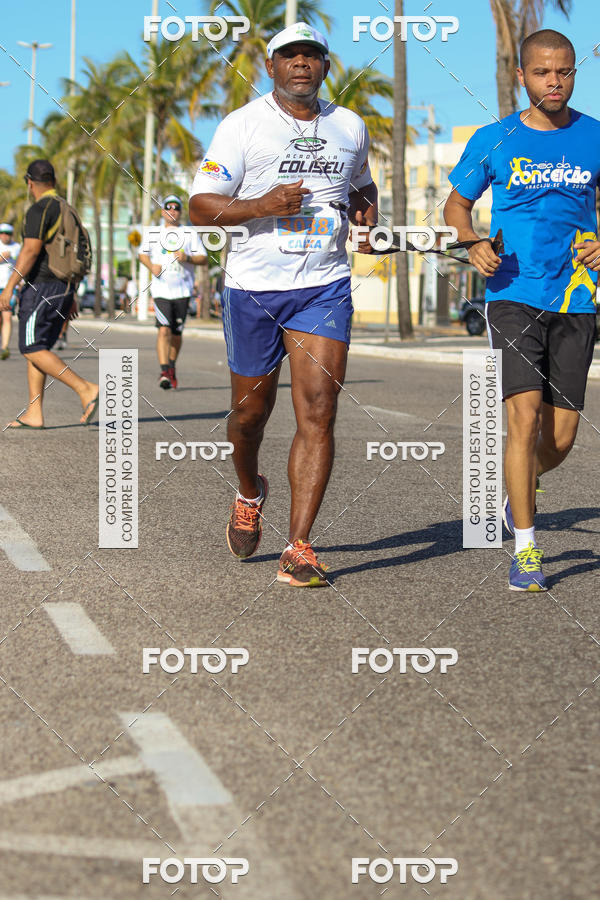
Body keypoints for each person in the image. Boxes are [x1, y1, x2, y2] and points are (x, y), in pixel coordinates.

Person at [189, 22, 377, 586]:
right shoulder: (242, 125)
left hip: (323, 286)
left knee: (319, 409)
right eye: (289, 55)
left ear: (325, 67)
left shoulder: (349, 126)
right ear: (270, 67)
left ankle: (298, 547)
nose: (301, 63)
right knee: (249, 416)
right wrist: (261, 205)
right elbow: (200, 205)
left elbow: (361, 186)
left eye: (311, 55)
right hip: (253, 288)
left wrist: (366, 219)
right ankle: (250, 491)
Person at [444, 29, 600, 591]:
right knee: (523, 417)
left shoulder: (595, 136)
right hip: (512, 292)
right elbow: (456, 204)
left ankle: (518, 492)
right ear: (522, 76)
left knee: (559, 439)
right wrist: (471, 242)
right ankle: (527, 550)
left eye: (564, 72)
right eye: (542, 72)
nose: (554, 82)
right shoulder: (495, 138)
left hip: (577, 296)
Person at [0, 159, 98, 429]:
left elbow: (31, 250)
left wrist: (9, 286)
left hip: (42, 287)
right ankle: (35, 413)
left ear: (30, 183)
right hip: (62, 287)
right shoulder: (67, 208)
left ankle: (85, 388)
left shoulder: (40, 208)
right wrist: (72, 293)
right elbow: (77, 252)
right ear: (53, 181)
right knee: (37, 346)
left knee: (31, 347)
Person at [139, 195, 207, 389]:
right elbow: (142, 254)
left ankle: (171, 366)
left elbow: (203, 258)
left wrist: (188, 258)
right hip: (161, 291)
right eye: (168, 208)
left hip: (183, 291)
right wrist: (151, 266)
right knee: (163, 330)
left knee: (176, 333)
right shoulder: (154, 233)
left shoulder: (189, 234)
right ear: (162, 212)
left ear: (180, 212)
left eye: (176, 208)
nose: (172, 211)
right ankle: (164, 372)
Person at [0, 223, 21, 359]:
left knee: (7, 316)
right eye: (2, 233)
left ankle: (5, 347)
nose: (4, 236)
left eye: (7, 233)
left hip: (9, 287)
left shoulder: (17, 247)